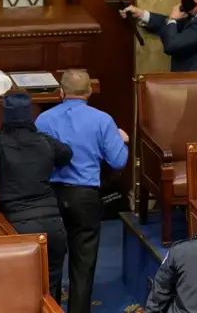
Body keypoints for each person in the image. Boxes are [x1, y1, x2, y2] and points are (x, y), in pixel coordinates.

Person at [0, 92, 71, 304]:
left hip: (19, 227)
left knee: (21, 293)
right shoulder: (46, 142)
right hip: (54, 226)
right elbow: (66, 153)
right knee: (51, 293)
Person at [35, 69, 129, 313]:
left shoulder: (42, 120)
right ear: (89, 91)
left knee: (51, 261)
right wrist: (122, 140)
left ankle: (51, 308)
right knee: (83, 262)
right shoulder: (102, 120)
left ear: (60, 93)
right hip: (85, 197)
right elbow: (118, 162)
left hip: (50, 196)